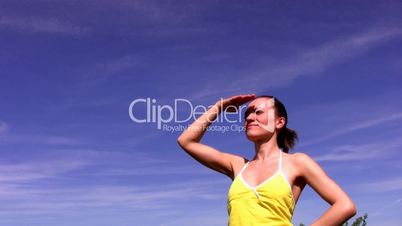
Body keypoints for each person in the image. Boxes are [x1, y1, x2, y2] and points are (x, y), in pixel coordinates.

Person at [177, 94, 356, 226]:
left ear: (279, 122)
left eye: (258, 112)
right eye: (246, 114)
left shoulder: (296, 162)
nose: (248, 118)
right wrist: (219, 107)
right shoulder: (238, 165)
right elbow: (186, 141)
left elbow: (344, 206)